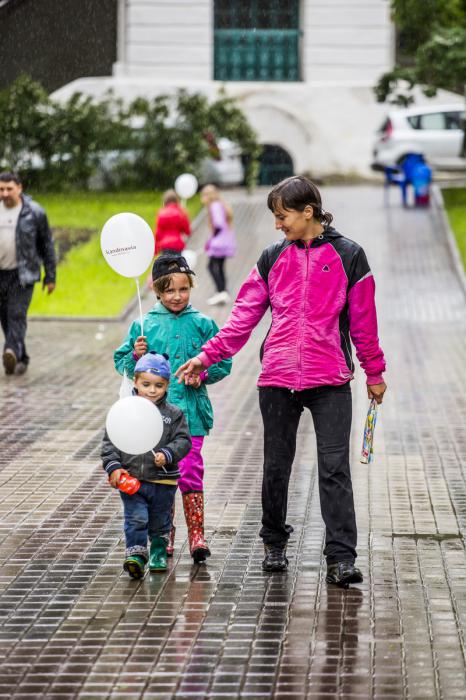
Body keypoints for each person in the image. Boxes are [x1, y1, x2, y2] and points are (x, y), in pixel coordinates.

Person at [176, 176, 387, 586]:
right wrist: (205, 356)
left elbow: (364, 324)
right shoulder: (273, 258)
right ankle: (274, 544)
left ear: (308, 211)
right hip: (277, 379)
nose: (277, 224)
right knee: (276, 466)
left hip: (330, 380)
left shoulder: (350, 256)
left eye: (282, 215)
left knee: (334, 469)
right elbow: (241, 321)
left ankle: (341, 558)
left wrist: (374, 372)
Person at [114, 254, 232, 563]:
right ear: (156, 290)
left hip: (190, 417)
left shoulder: (203, 324)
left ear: (190, 286)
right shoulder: (144, 324)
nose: (176, 296)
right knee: (159, 477)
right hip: (152, 420)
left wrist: (203, 375)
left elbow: (224, 360)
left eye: (182, 289)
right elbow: (125, 366)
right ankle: (163, 535)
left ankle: (197, 534)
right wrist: (134, 354)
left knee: (191, 472)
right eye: (168, 290)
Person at [102, 352, 192, 578]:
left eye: (159, 385)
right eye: (146, 384)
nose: (152, 390)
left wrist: (168, 453)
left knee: (160, 520)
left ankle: (158, 552)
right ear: (135, 382)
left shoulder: (173, 414)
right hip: (132, 479)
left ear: (167, 385)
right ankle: (136, 554)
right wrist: (114, 467)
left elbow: (184, 441)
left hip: (163, 480)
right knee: (136, 518)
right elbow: (110, 441)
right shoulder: (125, 411)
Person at [0, 171, 56, 375]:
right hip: (1, 274)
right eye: (1, 189)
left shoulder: (34, 212)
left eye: (9, 189)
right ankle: (20, 357)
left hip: (23, 274)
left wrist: (51, 276)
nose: (5, 193)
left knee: (16, 313)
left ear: (19, 188)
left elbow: (47, 246)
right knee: (4, 317)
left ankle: (10, 350)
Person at [200, 184, 236, 306]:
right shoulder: (221, 204)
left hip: (219, 243)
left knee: (211, 266)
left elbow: (219, 224)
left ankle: (221, 291)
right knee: (220, 267)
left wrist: (211, 240)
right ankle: (223, 291)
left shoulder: (214, 206)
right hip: (226, 241)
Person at [154, 189, 191, 256]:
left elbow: (158, 233)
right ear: (176, 200)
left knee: (166, 264)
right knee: (177, 264)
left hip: (165, 246)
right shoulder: (181, 212)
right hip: (177, 244)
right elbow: (187, 231)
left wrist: (156, 249)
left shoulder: (161, 213)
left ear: (165, 201)